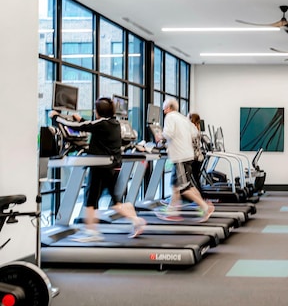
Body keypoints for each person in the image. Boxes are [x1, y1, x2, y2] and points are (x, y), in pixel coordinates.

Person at [50, 97, 146, 241]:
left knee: (90, 201)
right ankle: (135, 219)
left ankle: (91, 233)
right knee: (116, 202)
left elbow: (77, 127)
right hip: (111, 166)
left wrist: (56, 117)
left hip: (99, 166)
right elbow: (94, 127)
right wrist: (81, 118)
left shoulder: (102, 123)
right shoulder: (114, 123)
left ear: (98, 111)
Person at [156, 98, 214, 221]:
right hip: (186, 156)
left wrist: (159, 136)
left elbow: (169, 133)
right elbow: (194, 132)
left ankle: (204, 206)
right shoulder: (183, 118)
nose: (163, 110)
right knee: (176, 186)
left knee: (183, 188)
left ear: (168, 108)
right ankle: (172, 212)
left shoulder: (170, 117)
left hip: (180, 157)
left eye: (164, 108)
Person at [187, 112, 205, 192]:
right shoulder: (196, 130)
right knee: (196, 178)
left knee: (193, 179)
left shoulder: (191, 131)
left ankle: (198, 196)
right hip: (198, 158)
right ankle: (199, 194)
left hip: (194, 158)